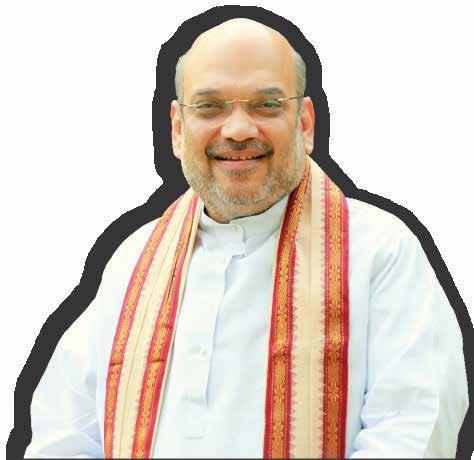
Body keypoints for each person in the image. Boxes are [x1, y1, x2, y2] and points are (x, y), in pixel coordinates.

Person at [25, 17, 468, 458]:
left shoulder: (381, 252)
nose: (238, 130)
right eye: (209, 107)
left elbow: (414, 431)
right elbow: (62, 436)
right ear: (177, 129)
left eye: (267, 105)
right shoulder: (133, 262)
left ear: (305, 124)